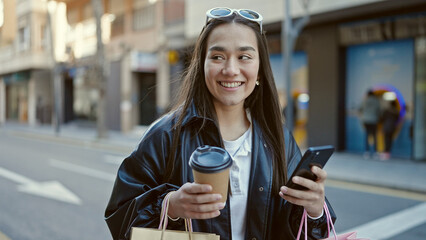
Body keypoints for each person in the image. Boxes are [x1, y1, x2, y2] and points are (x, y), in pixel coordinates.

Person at [105, 7, 336, 240]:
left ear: (259, 72)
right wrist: (170, 206)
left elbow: (299, 230)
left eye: (244, 57)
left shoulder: (278, 138)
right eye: (217, 57)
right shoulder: (165, 135)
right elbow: (119, 218)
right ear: (201, 65)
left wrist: (314, 211)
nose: (230, 70)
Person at [359, 89, 381, 158]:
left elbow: (360, 109)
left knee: (367, 136)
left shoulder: (365, 100)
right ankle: (375, 152)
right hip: (374, 120)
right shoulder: (376, 101)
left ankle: (367, 152)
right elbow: (379, 111)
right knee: (374, 136)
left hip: (366, 120)